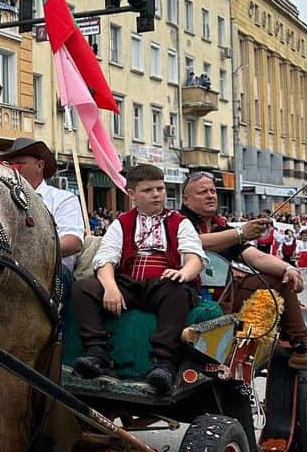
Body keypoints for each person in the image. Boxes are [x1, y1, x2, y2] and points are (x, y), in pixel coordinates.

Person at [180, 172, 307, 371]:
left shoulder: (221, 227)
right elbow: (192, 242)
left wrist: (288, 268)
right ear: (186, 199)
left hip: (225, 297)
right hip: (186, 298)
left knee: (281, 279)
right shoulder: (178, 221)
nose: (211, 195)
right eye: (203, 192)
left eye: (212, 190)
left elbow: (256, 257)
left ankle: (302, 348)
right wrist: (238, 233)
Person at [70, 163, 205, 394]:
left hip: (164, 283)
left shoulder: (179, 222)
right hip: (128, 284)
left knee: (176, 290)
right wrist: (110, 287)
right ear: (131, 194)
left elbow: (194, 257)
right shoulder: (121, 223)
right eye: (148, 190)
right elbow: (105, 259)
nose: (156, 195)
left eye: (160, 189)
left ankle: (164, 363)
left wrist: (183, 273)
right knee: (83, 288)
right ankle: (97, 353)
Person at [0, 137, 85, 297]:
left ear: (39, 165)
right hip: (8, 269)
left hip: (53, 272)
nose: (13, 169)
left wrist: (26, 252)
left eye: (20, 163)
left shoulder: (63, 199)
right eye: (10, 164)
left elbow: (73, 242)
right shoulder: (2, 199)